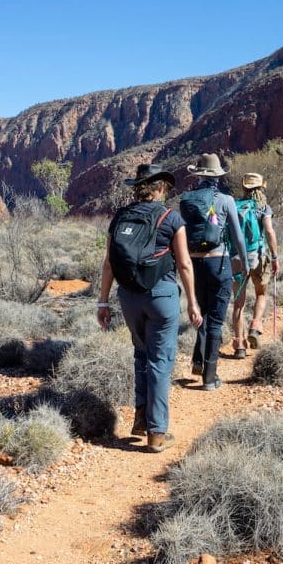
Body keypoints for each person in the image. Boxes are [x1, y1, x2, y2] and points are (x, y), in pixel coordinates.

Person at [97, 163, 202, 453]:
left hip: (128, 297)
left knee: (141, 354)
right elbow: (184, 264)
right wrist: (192, 301)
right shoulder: (171, 218)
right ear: (158, 189)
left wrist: (103, 300)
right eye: (164, 188)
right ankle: (157, 433)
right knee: (160, 362)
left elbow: (108, 263)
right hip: (161, 297)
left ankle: (141, 418)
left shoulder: (120, 216)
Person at [181, 153, 249, 390]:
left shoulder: (187, 199)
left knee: (202, 312)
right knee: (216, 320)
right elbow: (237, 235)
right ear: (218, 176)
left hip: (194, 263)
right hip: (219, 262)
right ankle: (209, 377)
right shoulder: (226, 200)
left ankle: (198, 360)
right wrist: (245, 262)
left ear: (198, 175)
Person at [231, 172, 280, 358]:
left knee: (238, 302)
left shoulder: (235, 206)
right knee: (261, 293)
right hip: (258, 257)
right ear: (261, 188)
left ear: (244, 188)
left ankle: (240, 346)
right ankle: (255, 325)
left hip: (236, 258)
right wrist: (275, 257)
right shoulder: (264, 208)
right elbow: (269, 231)